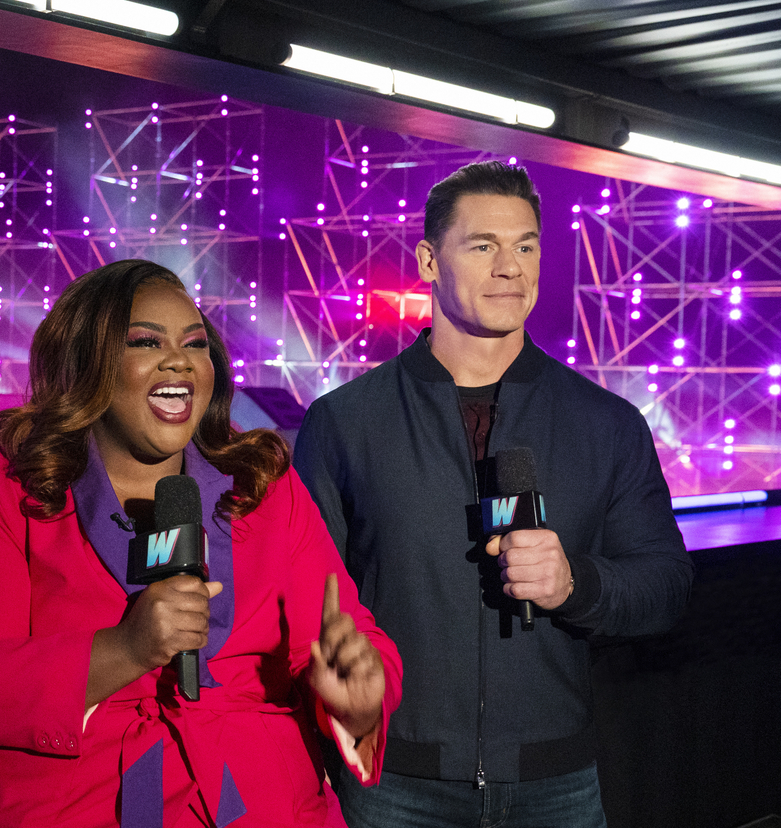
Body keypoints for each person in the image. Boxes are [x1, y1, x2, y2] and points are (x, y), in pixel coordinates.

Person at [0, 259, 402, 827]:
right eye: (145, 342)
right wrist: (124, 650)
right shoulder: (8, 483)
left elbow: (350, 636)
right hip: (65, 805)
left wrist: (359, 699)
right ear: (88, 362)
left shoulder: (264, 485)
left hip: (255, 804)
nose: (179, 360)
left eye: (195, 343)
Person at [292, 160, 694, 827]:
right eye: (483, 245)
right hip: (394, 783)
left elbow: (666, 585)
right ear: (428, 260)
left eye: (526, 245)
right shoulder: (345, 422)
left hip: (556, 783)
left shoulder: (607, 423)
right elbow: (303, 599)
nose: (511, 266)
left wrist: (575, 586)